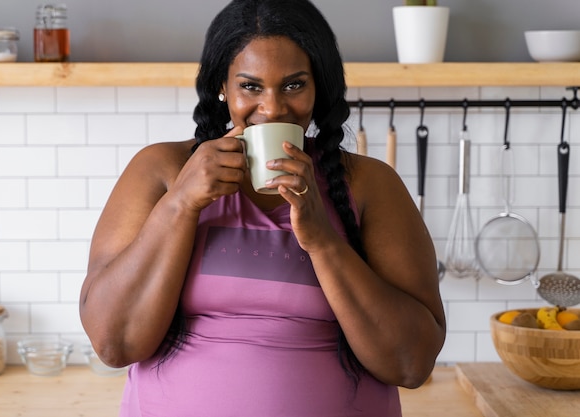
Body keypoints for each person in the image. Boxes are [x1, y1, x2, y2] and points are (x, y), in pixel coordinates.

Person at [79, 0, 446, 415]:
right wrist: (181, 203)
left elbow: (411, 363)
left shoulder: (370, 184)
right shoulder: (162, 170)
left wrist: (322, 239)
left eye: (293, 85)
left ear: (318, 86)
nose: (272, 108)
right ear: (223, 86)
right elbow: (113, 343)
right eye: (251, 86)